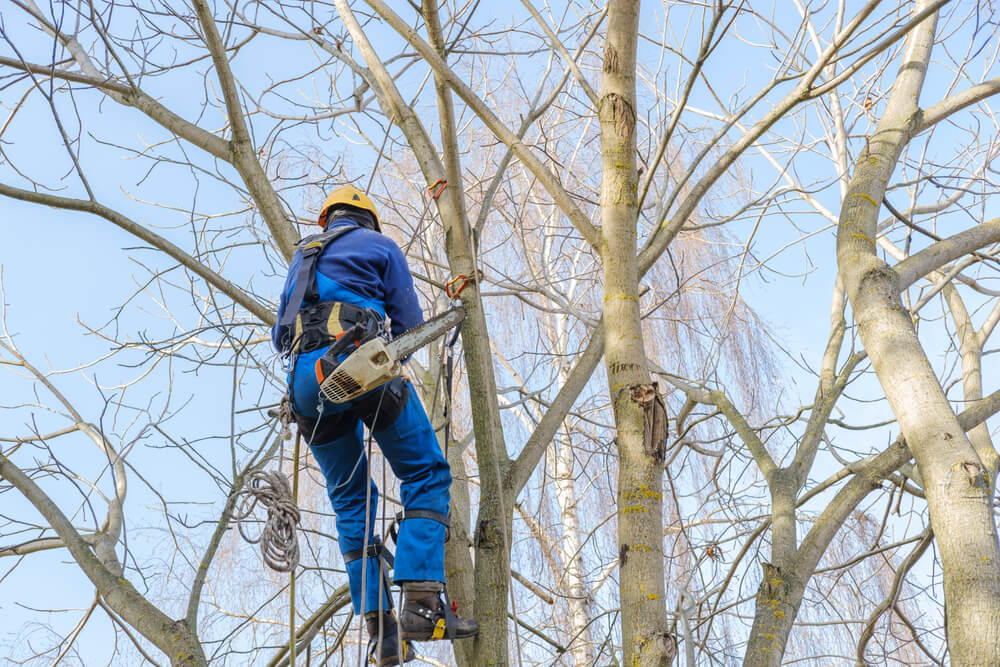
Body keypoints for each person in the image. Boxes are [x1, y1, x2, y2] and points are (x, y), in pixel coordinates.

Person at [271, 186, 478, 666]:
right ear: (368, 219)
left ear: (329, 220)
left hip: (304, 381)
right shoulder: (380, 247)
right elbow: (408, 324)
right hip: (356, 359)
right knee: (427, 474)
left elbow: (282, 332)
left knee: (350, 502)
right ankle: (424, 606)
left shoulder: (303, 255)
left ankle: (381, 632)